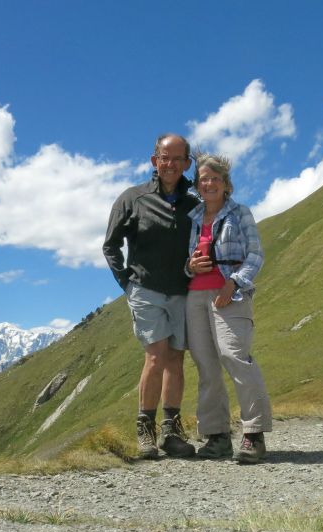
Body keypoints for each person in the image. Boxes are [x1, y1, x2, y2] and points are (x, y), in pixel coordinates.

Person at [103, 133, 198, 459]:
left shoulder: (193, 202)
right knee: (156, 355)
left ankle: (172, 431)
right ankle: (146, 429)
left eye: (177, 158)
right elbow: (111, 245)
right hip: (146, 289)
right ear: (154, 160)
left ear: (186, 163)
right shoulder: (133, 198)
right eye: (164, 157)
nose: (170, 164)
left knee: (176, 357)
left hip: (183, 291)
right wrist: (127, 283)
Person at [185, 153, 272, 463]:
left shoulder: (240, 213)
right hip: (195, 297)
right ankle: (217, 437)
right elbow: (189, 262)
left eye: (215, 179)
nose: (208, 184)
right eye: (203, 179)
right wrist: (190, 266)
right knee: (206, 367)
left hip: (229, 295)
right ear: (197, 184)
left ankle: (254, 435)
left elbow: (255, 255)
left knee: (234, 357)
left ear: (225, 184)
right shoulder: (194, 217)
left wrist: (233, 283)